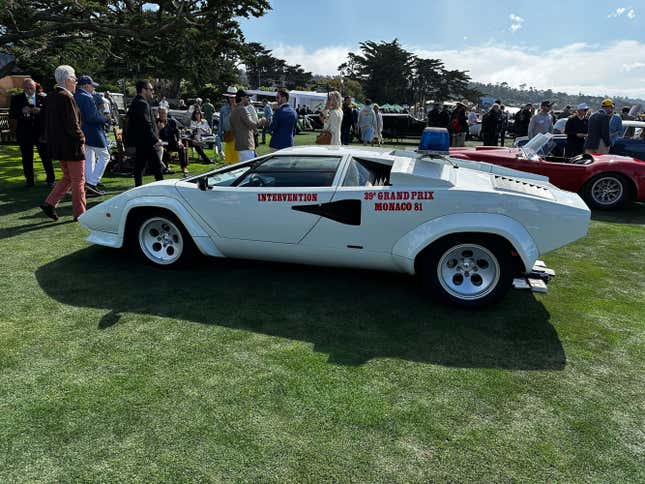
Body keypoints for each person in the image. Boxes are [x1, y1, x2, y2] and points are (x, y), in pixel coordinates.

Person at [39, 65, 86, 222]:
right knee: (78, 180)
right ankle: (80, 213)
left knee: (68, 177)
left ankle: (49, 203)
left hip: (58, 146)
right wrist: (81, 139)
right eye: (74, 79)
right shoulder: (66, 97)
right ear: (67, 80)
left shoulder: (50, 97)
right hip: (71, 145)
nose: (76, 82)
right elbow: (72, 123)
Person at [9, 78, 55, 187]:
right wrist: (21, 111)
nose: (29, 90)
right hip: (24, 132)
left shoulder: (43, 98)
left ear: (35, 87)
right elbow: (12, 114)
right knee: (26, 157)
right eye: (26, 88)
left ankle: (50, 179)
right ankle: (29, 180)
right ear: (23, 88)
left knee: (46, 156)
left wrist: (40, 111)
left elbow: (50, 113)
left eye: (31, 87)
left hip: (40, 132)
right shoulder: (16, 98)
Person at [74, 75, 108, 196]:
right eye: (91, 85)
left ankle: (89, 184)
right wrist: (105, 119)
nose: (93, 87)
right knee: (105, 156)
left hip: (83, 131)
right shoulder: (86, 97)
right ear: (85, 85)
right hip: (92, 132)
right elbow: (92, 117)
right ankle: (92, 183)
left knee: (89, 159)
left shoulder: (76, 95)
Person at [126, 80, 164, 187]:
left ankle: (138, 187)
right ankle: (163, 189)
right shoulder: (141, 104)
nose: (153, 91)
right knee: (156, 167)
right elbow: (146, 124)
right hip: (145, 141)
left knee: (140, 166)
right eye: (151, 89)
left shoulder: (137, 102)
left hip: (142, 141)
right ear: (143, 90)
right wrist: (156, 140)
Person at [230, 89, 267, 161]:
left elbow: (232, 129)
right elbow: (252, 124)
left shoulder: (234, 110)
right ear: (242, 98)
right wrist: (262, 120)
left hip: (239, 145)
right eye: (247, 97)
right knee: (249, 168)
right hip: (246, 145)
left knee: (244, 168)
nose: (248, 99)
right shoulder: (242, 109)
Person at [157, 107, 189, 176]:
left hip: (172, 142)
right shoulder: (156, 123)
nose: (162, 115)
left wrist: (179, 141)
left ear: (166, 113)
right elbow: (154, 135)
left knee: (181, 147)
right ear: (158, 114)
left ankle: (184, 167)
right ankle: (166, 167)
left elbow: (177, 133)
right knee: (163, 150)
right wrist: (159, 129)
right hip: (162, 143)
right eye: (160, 113)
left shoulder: (172, 121)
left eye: (163, 113)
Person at [218, 87, 238, 164]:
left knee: (237, 161)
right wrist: (220, 134)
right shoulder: (224, 109)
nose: (232, 99)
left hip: (238, 137)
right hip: (228, 136)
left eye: (234, 97)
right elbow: (222, 123)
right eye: (230, 97)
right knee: (229, 160)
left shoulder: (239, 107)